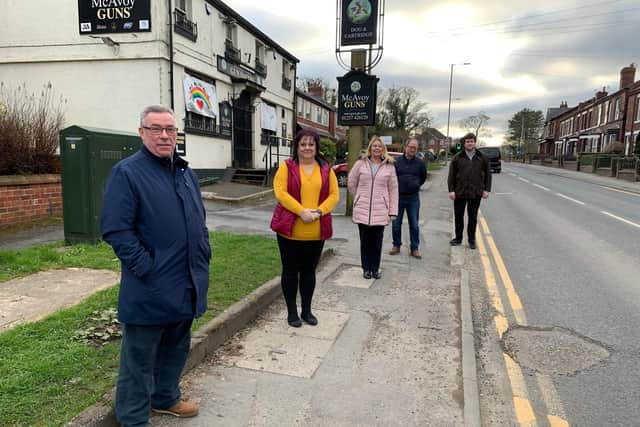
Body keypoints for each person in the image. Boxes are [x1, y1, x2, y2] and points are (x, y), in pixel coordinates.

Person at [101, 105, 211, 426]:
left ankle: (166, 398)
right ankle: (133, 419)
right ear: (142, 133)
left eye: (170, 129)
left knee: (176, 347)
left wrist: (202, 253)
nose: (164, 135)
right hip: (149, 285)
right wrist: (147, 267)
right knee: (139, 359)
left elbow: (197, 221)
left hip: (187, 280)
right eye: (155, 129)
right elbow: (116, 229)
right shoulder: (128, 172)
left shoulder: (185, 172)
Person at [271, 129, 339, 327]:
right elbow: (280, 192)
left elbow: (334, 195)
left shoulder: (326, 168)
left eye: (311, 144)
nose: (307, 148)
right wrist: (301, 211)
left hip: (316, 232)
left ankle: (307, 311)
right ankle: (292, 312)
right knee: (290, 272)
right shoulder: (287, 166)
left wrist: (319, 212)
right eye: (303, 144)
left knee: (309, 272)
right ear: (297, 147)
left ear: (316, 147)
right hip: (289, 231)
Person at [348, 136, 398, 279]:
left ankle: (375, 268)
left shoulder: (389, 166)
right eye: (374, 146)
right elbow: (351, 182)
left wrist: (392, 211)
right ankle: (366, 268)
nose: (377, 148)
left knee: (377, 242)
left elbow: (393, 190)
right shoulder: (360, 163)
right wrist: (358, 197)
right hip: (362, 210)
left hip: (380, 210)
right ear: (370, 148)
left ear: (383, 149)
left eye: (379, 146)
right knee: (364, 241)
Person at [447, 132, 491, 250]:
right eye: (467, 141)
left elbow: (488, 174)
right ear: (464, 143)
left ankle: (471, 240)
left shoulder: (482, 157)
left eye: (472, 141)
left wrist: (487, 189)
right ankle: (458, 238)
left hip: (476, 192)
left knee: (473, 217)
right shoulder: (457, 157)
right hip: (460, 192)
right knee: (459, 216)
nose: (470, 143)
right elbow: (451, 175)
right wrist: (451, 190)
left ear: (475, 143)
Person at [390, 138, 427, 259]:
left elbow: (423, 178)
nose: (412, 149)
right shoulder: (397, 161)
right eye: (410, 147)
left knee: (414, 224)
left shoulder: (420, 163)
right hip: (398, 197)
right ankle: (396, 245)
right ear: (406, 147)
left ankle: (414, 248)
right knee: (396, 223)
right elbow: (392, 177)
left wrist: (415, 185)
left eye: (415, 148)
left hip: (413, 198)